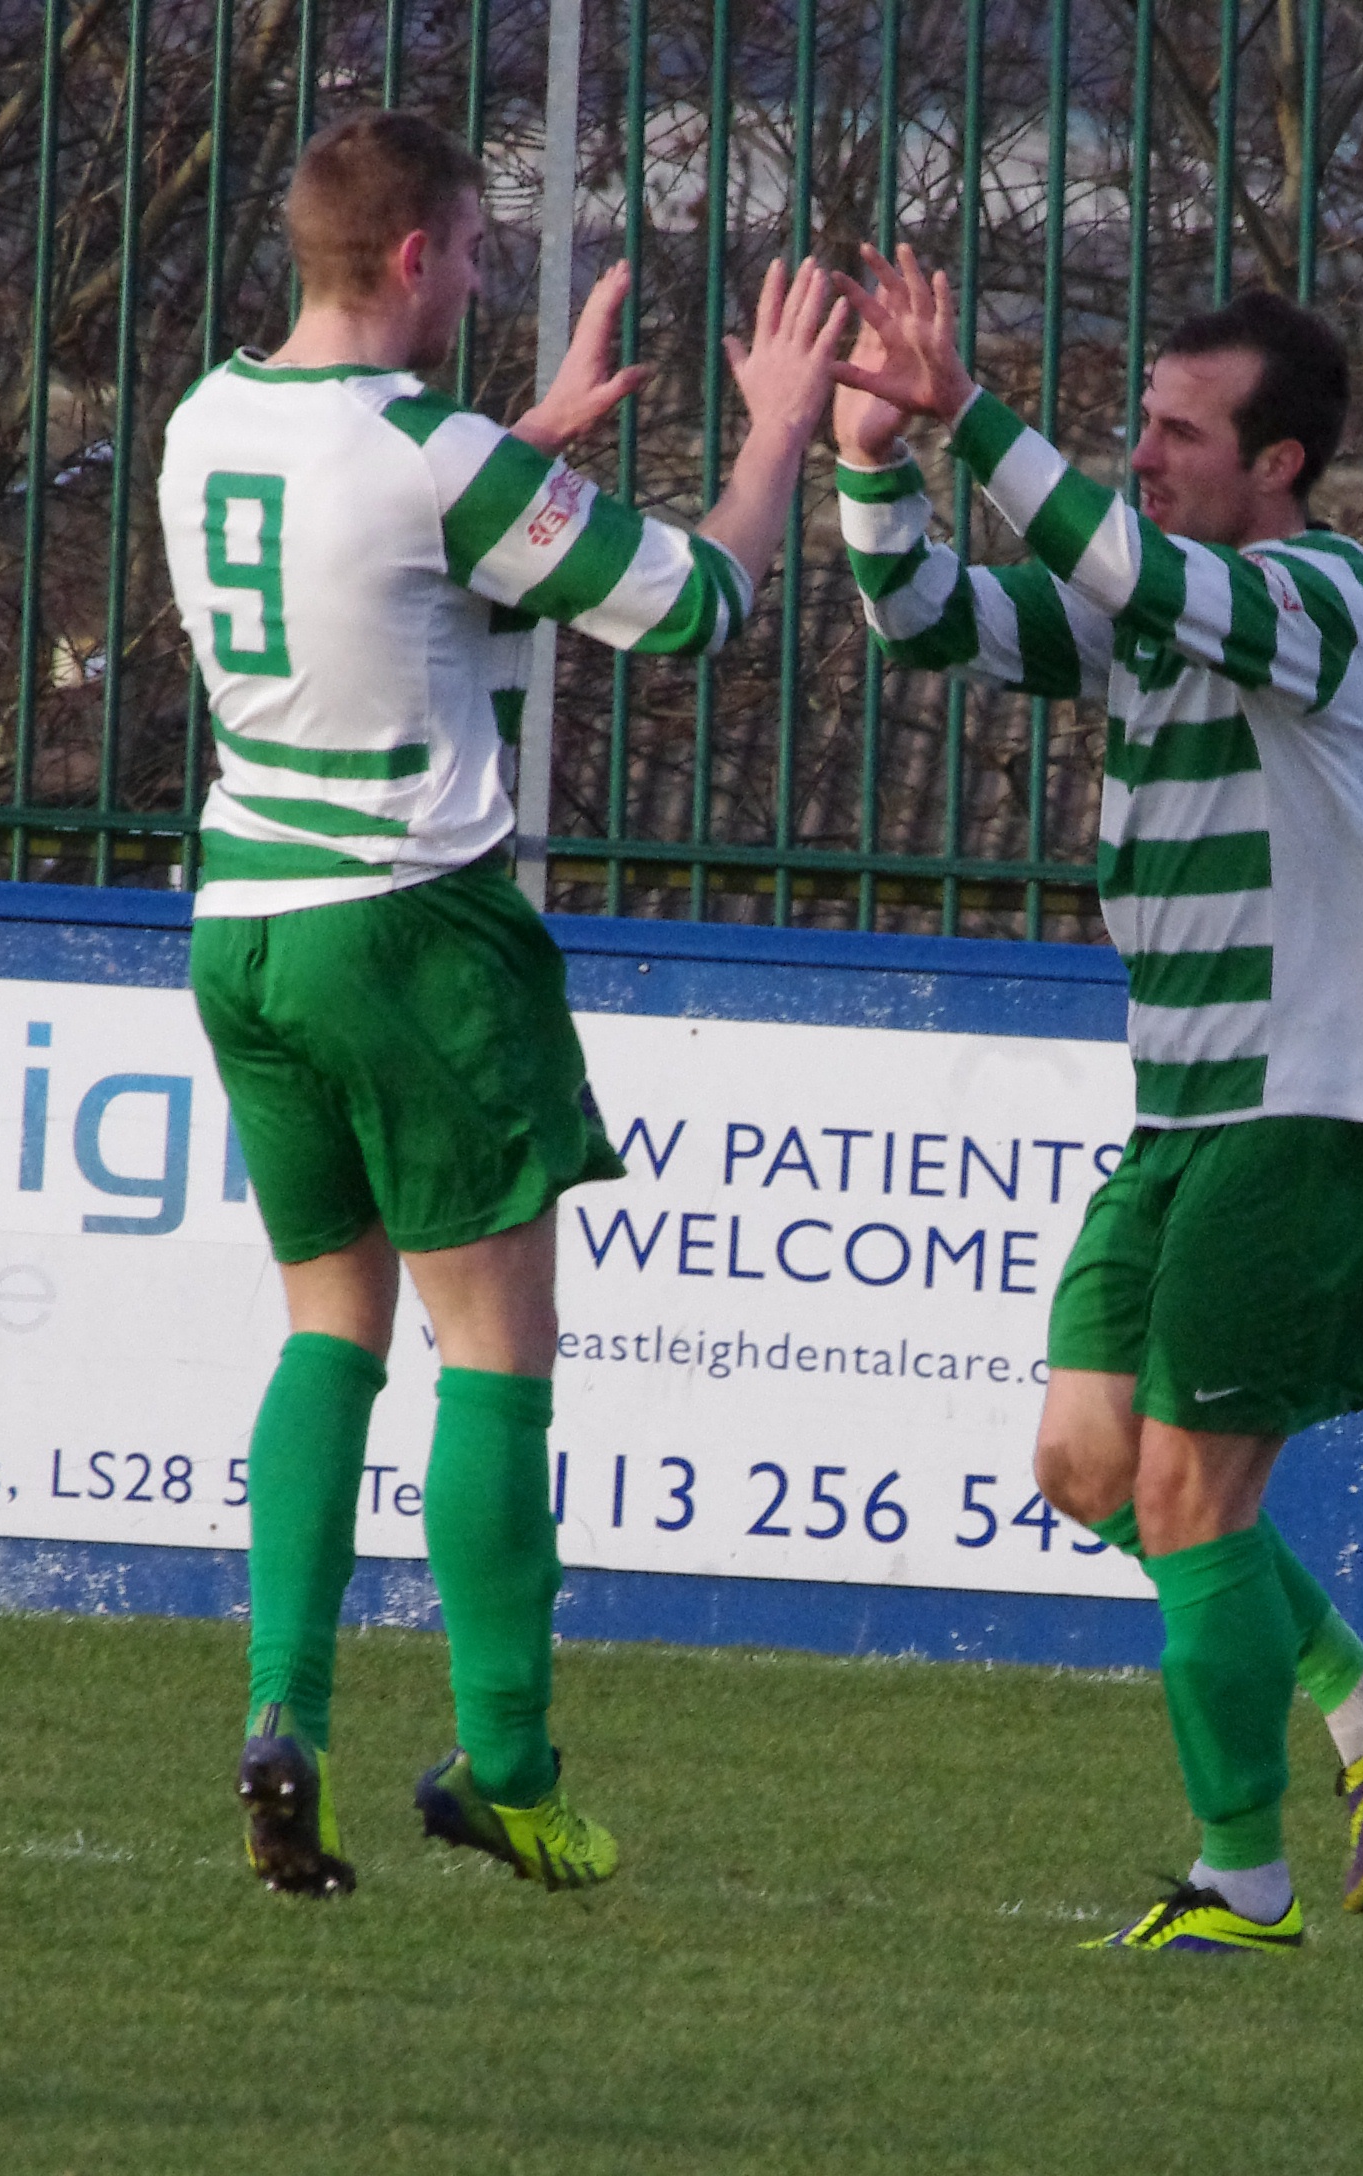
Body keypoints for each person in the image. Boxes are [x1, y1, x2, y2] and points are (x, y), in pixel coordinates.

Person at [161, 108, 859, 1895]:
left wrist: (521, 454)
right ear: (412, 257)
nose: (482, 278)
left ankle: (283, 1718)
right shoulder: (429, 450)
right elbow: (698, 603)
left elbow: (375, 597)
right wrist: (779, 429)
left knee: (331, 1327)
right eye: (473, 248)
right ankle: (513, 1764)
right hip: (408, 926)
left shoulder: (204, 420)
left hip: (244, 921)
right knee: (498, 1357)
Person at [830, 248, 1363, 1955]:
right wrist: (874, 460)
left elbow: (1111, 559)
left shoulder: (1325, 599)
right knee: (1087, 1463)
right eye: (1146, 423)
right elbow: (921, 619)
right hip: (1182, 1118)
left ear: (1281, 467)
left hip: (1307, 1115)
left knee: (1193, 1498)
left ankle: (1240, 1885)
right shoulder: (1151, 599)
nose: (1152, 454)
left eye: (1186, 433)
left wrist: (967, 410)